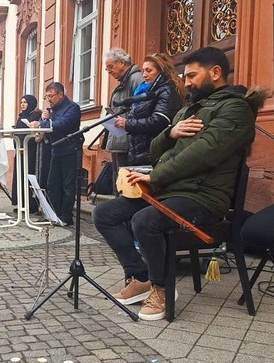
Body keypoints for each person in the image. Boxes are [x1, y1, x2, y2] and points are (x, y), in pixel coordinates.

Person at [92, 47, 258, 321]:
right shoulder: (188, 109)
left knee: (144, 221)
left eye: (192, 75)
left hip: (203, 197)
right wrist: (170, 133)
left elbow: (204, 152)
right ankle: (142, 276)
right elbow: (155, 150)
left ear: (215, 73)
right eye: (185, 75)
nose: (187, 82)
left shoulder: (236, 109)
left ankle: (162, 287)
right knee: (104, 214)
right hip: (170, 190)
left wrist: (154, 177)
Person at [113, 53, 185, 166]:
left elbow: (159, 121)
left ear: (161, 71)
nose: (145, 75)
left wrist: (127, 123)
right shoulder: (145, 91)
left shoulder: (167, 91)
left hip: (153, 153)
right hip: (140, 152)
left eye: (149, 71)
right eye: (143, 71)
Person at [29, 82, 81, 226]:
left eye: (50, 96)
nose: (49, 100)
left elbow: (62, 124)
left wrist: (43, 124)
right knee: (52, 184)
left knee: (68, 185)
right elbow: (50, 126)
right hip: (56, 150)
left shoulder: (73, 108)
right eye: (46, 97)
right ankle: (53, 214)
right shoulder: (52, 110)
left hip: (70, 150)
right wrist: (45, 119)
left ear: (60, 94)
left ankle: (66, 216)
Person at [103, 48, 144, 195]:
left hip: (128, 141)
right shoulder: (124, 80)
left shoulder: (136, 79)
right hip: (119, 139)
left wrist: (125, 121)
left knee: (125, 185)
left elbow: (142, 109)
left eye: (110, 67)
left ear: (121, 62)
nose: (108, 71)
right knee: (119, 183)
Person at [11, 95, 41, 213]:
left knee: (28, 176)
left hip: (31, 150)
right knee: (20, 176)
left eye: (25, 102)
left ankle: (31, 205)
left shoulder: (35, 115)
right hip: (20, 149)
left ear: (31, 103)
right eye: (21, 102)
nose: (22, 104)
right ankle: (21, 203)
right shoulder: (21, 116)